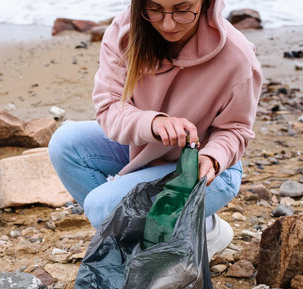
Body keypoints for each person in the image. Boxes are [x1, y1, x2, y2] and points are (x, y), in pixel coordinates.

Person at [49, 0, 262, 260]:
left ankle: (202, 229)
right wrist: (153, 123)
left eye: (183, 9)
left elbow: (236, 129)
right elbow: (109, 109)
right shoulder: (125, 31)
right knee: (65, 143)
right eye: (155, 9)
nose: (168, 23)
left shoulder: (237, 56)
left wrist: (212, 158)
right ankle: (138, 243)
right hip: (145, 149)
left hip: (207, 171)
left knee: (102, 206)